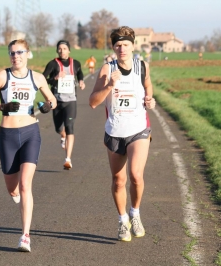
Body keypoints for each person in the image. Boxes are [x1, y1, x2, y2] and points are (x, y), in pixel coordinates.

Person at [0, 39, 57, 252]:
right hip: (8, 134)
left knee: (25, 185)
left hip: (30, 132)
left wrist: (45, 106)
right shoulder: (2, 76)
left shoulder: (38, 77)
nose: (16, 56)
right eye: (12, 53)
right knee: (12, 187)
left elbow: (52, 101)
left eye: (20, 52)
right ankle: (14, 194)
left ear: (28, 54)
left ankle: (25, 235)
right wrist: (2, 106)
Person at [88, 26, 156, 242]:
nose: (122, 48)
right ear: (113, 47)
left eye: (126, 44)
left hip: (139, 129)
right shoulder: (107, 69)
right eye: (117, 45)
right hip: (115, 131)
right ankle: (122, 220)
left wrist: (150, 99)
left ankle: (135, 213)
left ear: (133, 46)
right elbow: (93, 102)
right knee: (118, 181)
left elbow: (147, 86)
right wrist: (109, 85)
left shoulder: (142, 65)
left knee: (136, 175)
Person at [42, 40, 85, 170]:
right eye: (60, 49)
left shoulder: (75, 63)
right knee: (58, 128)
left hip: (71, 101)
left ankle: (68, 159)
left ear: (69, 50)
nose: (62, 51)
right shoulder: (53, 64)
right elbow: (43, 79)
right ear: (57, 51)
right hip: (57, 101)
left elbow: (80, 73)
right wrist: (55, 78)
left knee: (70, 126)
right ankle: (62, 135)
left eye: (64, 48)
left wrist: (81, 81)